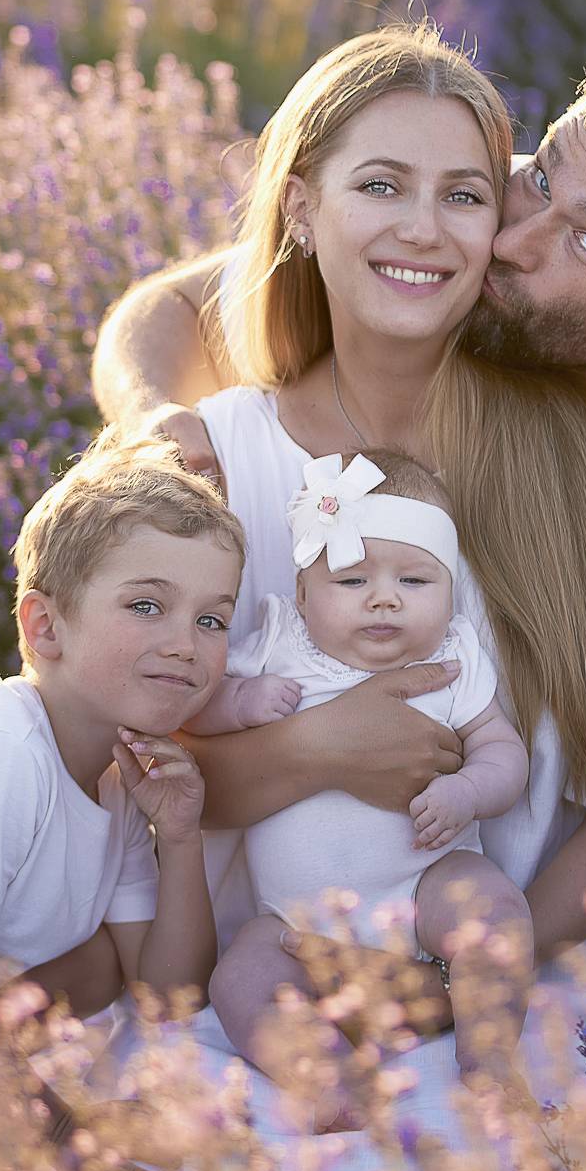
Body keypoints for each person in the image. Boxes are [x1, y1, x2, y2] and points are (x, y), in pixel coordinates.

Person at [93, 23, 586, 1054]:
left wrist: (453, 987)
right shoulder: (205, 466)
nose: (424, 230)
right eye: (380, 186)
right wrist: (314, 749)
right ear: (300, 207)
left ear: (498, 228)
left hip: (523, 1006)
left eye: (464, 195)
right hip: (262, 1001)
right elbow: (132, 777)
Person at [93, 41, 586, 775]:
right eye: (539, 178)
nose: (509, 243)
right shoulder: (513, 203)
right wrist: (150, 427)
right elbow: (176, 305)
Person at [0, 430, 244, 1171]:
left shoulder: (117, 774)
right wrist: (72, 1135)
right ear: (44, 627)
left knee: (107, 960)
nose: (186, 644)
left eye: (211, 620)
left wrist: (179, 837)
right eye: (147, 605)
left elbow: (165, 991)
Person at [183, 449, 531, 1128]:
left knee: (492, 910)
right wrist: (237, 702)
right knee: (240, 977)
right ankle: (331, 1084)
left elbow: (502, 752)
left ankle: (488, 1060)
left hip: (425, 886)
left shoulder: (453, 661)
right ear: (302, 595)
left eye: (414, 579)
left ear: (451, 591)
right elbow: (193, 710)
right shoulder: (277, 647)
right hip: (293, 924)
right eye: (352, 579)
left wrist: (467, 791)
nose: (384, 597)